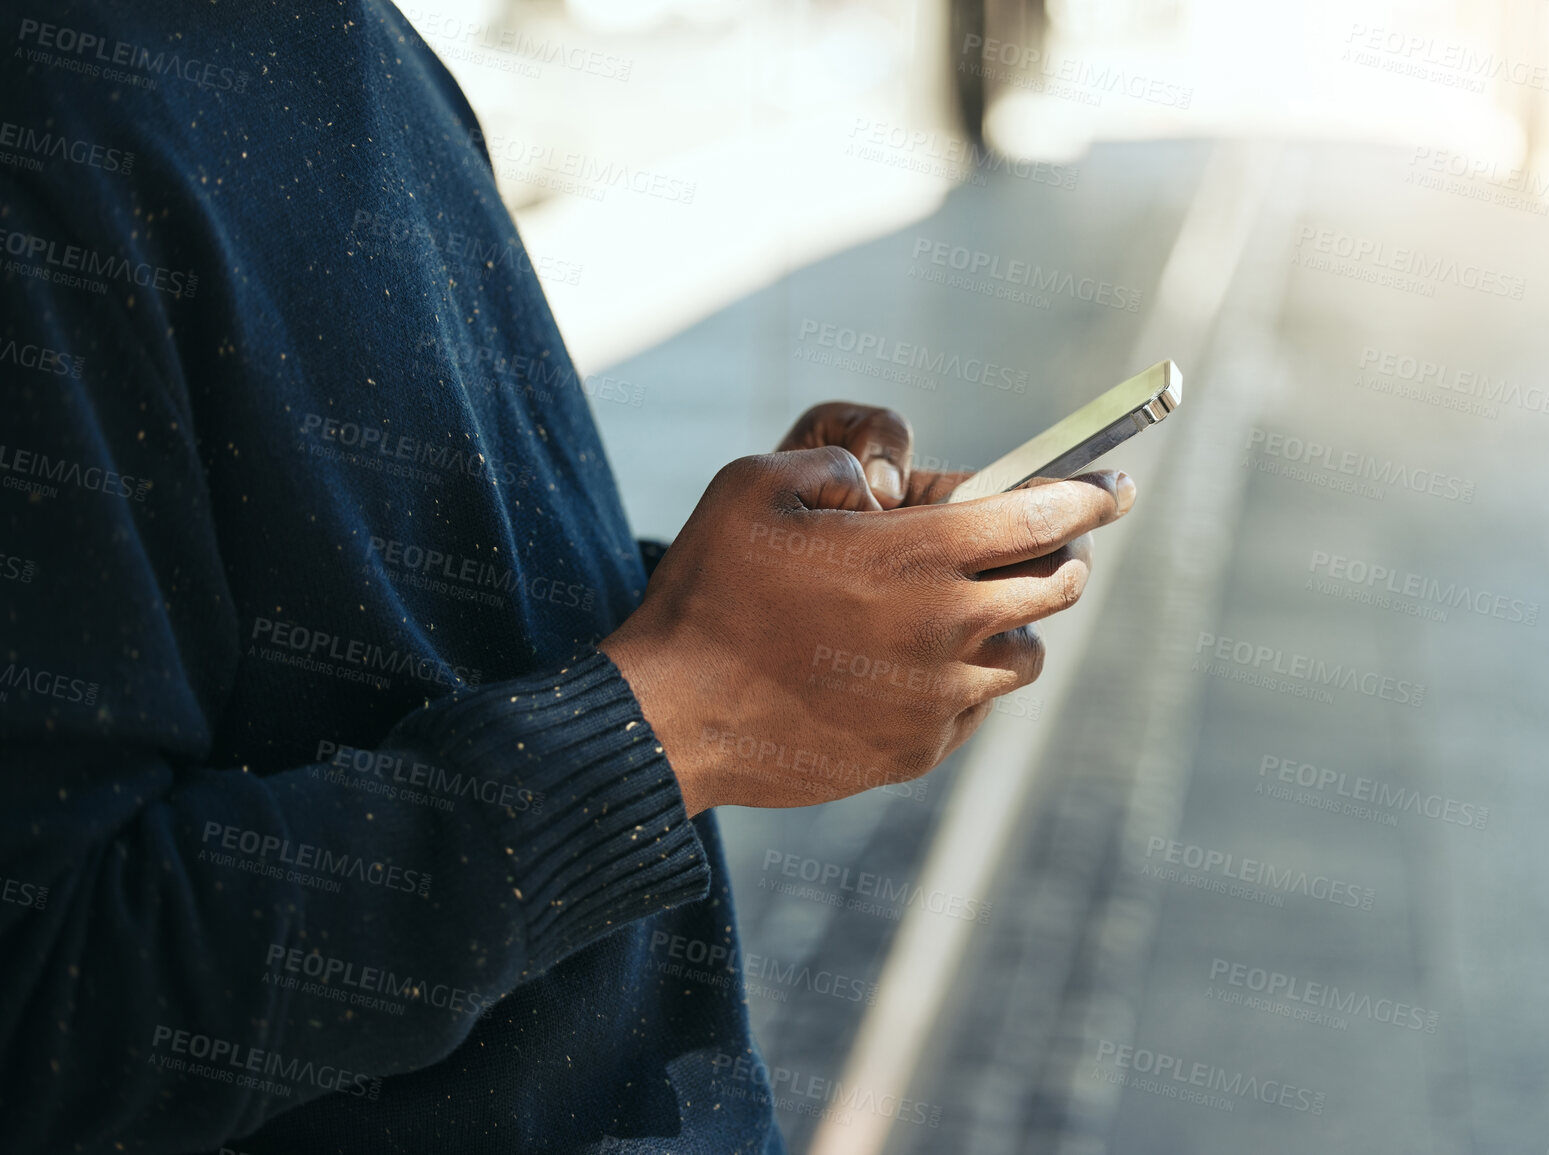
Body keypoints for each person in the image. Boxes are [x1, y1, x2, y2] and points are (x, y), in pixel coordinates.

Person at [0, 2, 1134, 1151]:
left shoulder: (358, 44)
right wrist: (686, 715)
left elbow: (385, 635)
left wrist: (776, 617)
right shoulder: (46, 117)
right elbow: (49, 1004)